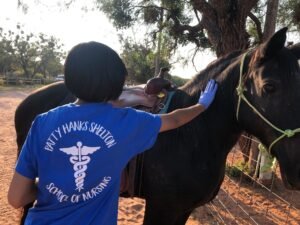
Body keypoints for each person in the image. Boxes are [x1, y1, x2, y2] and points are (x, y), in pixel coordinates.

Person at [8, 41, 218, 225]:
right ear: (117, 84)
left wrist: (53, 187)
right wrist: (201, 105)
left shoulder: (42, 122)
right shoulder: (127, 122)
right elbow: (175, 119)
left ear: (69, 80)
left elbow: (16, 198)